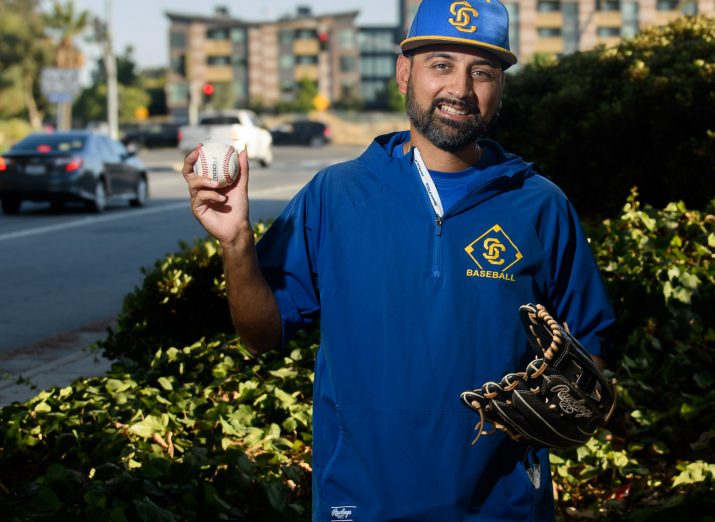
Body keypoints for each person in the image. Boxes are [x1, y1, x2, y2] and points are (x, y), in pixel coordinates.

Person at [181, 0, 614, 520]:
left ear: (501, 86)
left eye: (483, 72)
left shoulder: (539, 204)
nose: (460, 88)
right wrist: (236, 245)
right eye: (441, 65)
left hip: (502, 506)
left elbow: (590, 350)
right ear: (403, 72)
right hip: (360, 502)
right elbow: (260, 334)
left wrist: (569, 395)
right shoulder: (334, 194)